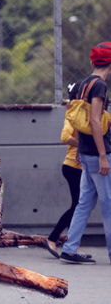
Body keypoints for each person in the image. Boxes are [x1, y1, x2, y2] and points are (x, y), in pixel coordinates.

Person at [60, 42, 111, 265]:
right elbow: (94, 121)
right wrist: (102, 155)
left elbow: (77, 120)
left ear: (92, 62)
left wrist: (81, 149)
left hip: (86, 153)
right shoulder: (99, 86)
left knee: (84, 203)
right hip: (99, 154)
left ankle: (69, 249)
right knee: (109, 204)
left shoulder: (82, 84)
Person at [43, 83, 88, 258]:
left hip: (79, 166)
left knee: (79, 206)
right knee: (77, 206)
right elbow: (65, 137)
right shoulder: (73, 114)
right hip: (73, 167)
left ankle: (71, 245)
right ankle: (53, 239)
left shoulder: (83, 112)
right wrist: (82, 146)